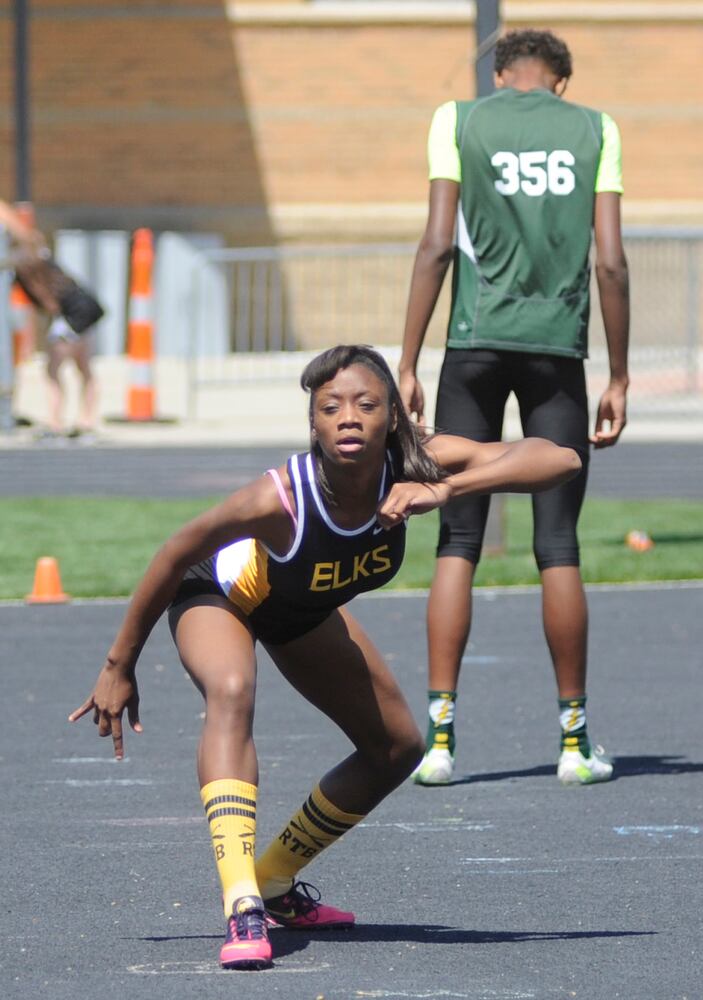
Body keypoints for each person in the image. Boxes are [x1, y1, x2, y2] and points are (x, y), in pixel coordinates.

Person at [69, 344, 580, 971]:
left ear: (393, 415)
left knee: (396, 748)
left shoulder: (416, 463)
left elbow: (559, 457)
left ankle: (275, 881)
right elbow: (175, 552)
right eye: (330, 407)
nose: (348, 417)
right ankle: (242, 904)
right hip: (220, 594)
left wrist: (446, 488)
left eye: (366, 404)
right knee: (232, 691)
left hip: (300, 611)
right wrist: (119, 664)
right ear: (312, 421)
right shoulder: (277, 499)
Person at [398, 29, 630, 787]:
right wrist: (619, 375)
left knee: (456, 538)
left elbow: (436, 245)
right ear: (561, 81)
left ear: (500, 74)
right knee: (557, 544)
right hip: (557, 351)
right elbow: (610, 260)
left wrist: (406, 361)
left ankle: (437, 742)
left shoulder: (457, 120)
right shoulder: (596, 128)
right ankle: (573, 744)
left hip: (470, 344)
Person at [0, 199, 99, 441]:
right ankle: (86, 420)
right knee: (83, 367)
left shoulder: (27, 262)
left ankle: (56, 423)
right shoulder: (38, 257)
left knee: (53, 369)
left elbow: (48, 302)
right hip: (84, 307)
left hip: (71, 313)